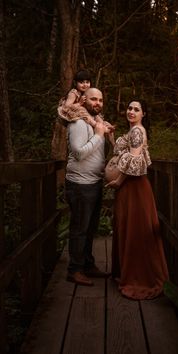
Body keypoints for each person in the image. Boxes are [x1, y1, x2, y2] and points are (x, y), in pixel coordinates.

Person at [105, 99, 169, 300]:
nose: (131, 111)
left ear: (144, 114)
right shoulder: (132, 132)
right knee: (128, 227)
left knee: (136, 230)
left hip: (133, 186)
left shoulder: (138, 131)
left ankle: (140, 278)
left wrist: (118, 181)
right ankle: (127, 271)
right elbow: (124, 153)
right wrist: (112, 139)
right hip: (129, 187)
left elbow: (133, 161)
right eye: (129, 108)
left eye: (136, 109)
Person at [65, 87, 110, 286]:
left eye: (100, 99)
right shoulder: (77, 122)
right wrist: (99, 135)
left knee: (90, 229)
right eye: (93, 99)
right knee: (79, 229)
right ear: (83, 100)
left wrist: (104, 134)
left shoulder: (96, 122)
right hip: (80, 184)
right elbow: (79, 153)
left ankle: (88, 265)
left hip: (94, 182)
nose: (97, 103)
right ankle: (74, 270)